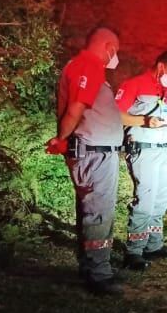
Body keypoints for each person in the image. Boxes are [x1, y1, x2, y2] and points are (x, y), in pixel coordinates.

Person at [46, 26, 129, 295]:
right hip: (95, 153)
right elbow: (75, 109)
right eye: (115, 50)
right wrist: (61, 138)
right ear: (109, 47)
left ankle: (90, 266)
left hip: (92, 151)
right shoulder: (89, 66)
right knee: (99, 212)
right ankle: (99, 275)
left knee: (91, 209)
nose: (115, 57)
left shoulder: (81, 66)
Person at [115, 50, 167, 270]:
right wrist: (143, 120)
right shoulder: (134, 84)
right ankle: (134, 251)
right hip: (145, 149)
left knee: (161, 201)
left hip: (166, 150)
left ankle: (154, 246)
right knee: (145, 201)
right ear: (161, 67)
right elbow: (115, 113)